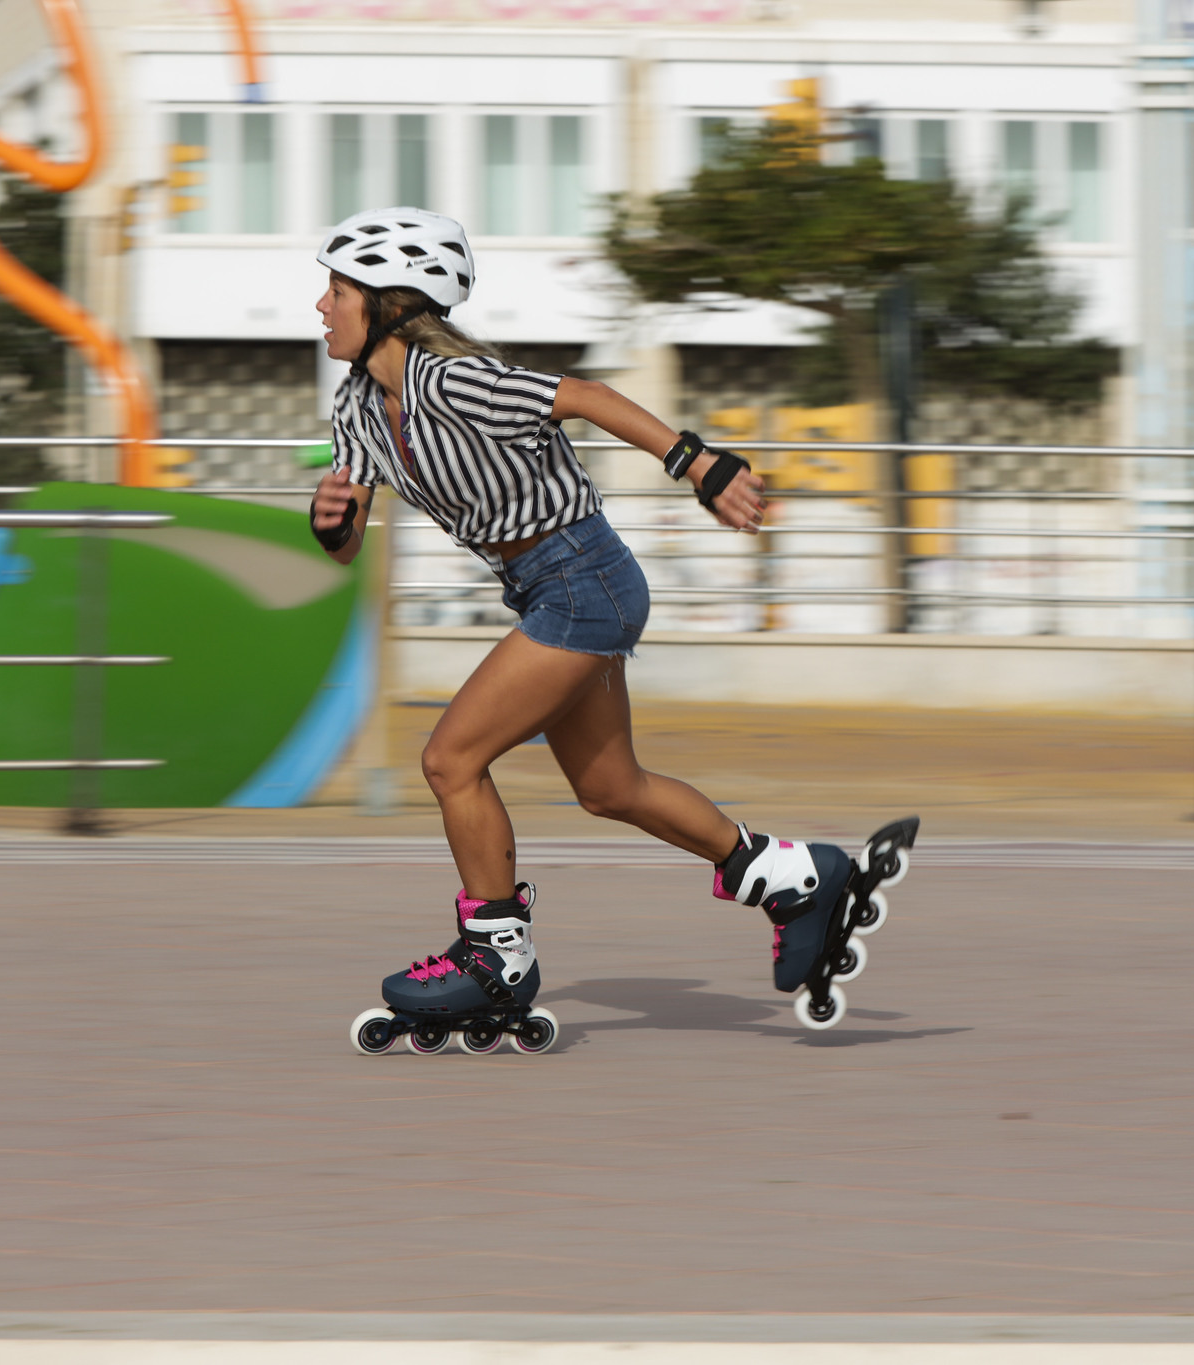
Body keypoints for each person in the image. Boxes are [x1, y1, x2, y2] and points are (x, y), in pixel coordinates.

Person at [314, 207, 915, 1047]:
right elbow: (343, 543)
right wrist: (329, 517)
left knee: (451, 759)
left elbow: (585, 397)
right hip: (546, 588)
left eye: (337, 291)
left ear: (390, 302)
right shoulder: (358, 410)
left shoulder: (452, 382)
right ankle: (794, 875)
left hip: (581, 577)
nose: (321, 307)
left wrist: (700, 466)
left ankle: (495, 958)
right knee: (609, 787)